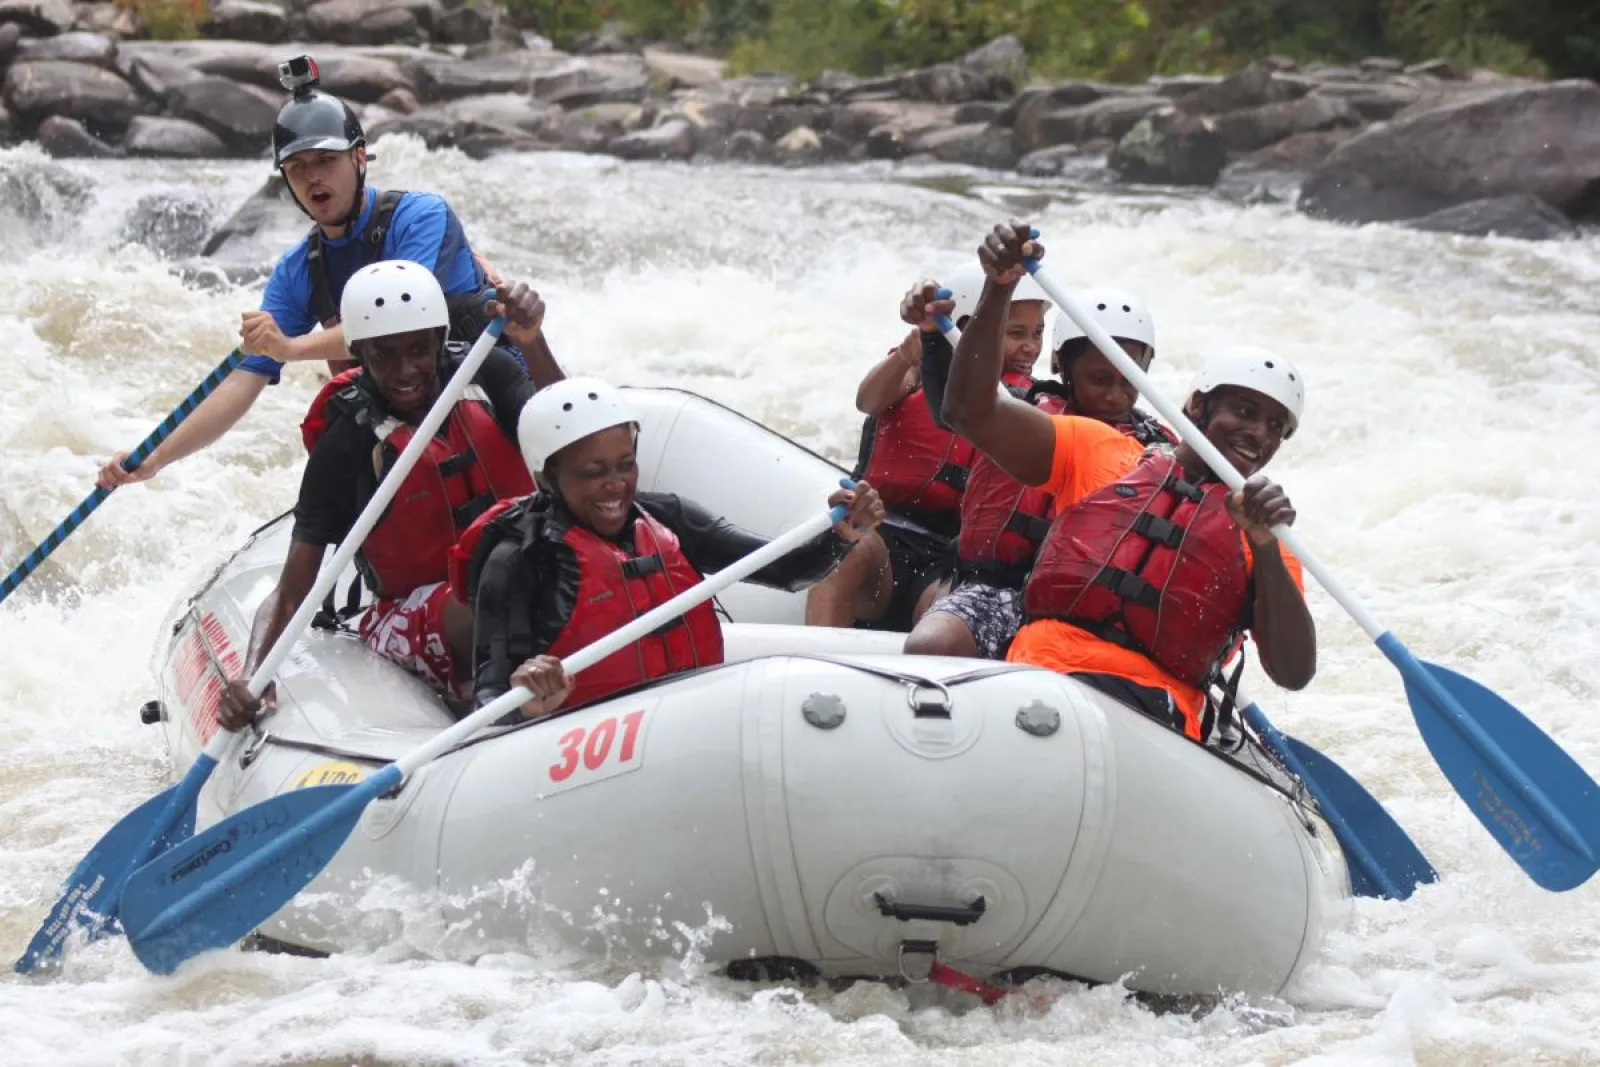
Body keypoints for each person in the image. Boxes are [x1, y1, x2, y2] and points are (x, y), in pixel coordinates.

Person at [97, 54, 560, 491]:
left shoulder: (420, 216)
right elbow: (244, 380)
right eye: (297, 168)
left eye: (326, 160)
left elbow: (402, 322)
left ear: (360, 158)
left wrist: (292, 347)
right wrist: (156, 458)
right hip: (404, 425)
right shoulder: (300, 269)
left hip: (496, 401)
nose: (313, 177)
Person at [941, 220, 1316, 743]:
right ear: (1199, 405)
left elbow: (1294, 672)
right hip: (1040, 675)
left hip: (1154, 717)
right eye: (1245, 411)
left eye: (1276, 427)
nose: (1258, 434)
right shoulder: (1101, 450)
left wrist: (1266, 549)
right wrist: (999, 288)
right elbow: (970, 412)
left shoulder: (1268, 535)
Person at [217, 260, 551, 731]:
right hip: (418, 608)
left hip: (521, 576)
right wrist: (253, 674)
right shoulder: (347, 437)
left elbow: (571, 441)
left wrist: (532, 342)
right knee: (488, 592)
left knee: (537, 570)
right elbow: (293, 590)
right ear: (358, 353)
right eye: (383, 355)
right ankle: (506, 703)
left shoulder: (485, 371)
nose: (405, 370)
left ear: (439, 337)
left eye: (419, 349)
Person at [456, 377, 887, 719]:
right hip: (588, 754)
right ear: (546, 478)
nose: (616, 484)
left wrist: (843, 534)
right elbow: (491, 699)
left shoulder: (666, 517)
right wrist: (528, 701)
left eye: (626, 465)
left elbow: (786, 571)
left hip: (688, 725)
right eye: (593, 472)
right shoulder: (517, 559)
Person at [904, 283, 1175, 660]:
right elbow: (954, 411)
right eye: (1099, 379)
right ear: (1061, 364)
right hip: (1001, 588)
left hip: (1098, 611)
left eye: (1129, 380)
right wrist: (933, 340)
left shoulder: (1160, 449)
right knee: (933, 644)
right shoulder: (1016, 407)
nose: (1115, 395)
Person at [804, 264, 1051, 634]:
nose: (1031, 346)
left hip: (947, 559)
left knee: (951, 613)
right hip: (880, 531)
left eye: (1038, 333)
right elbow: (867, 400)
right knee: (847, 552)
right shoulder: (915, 370)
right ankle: (814, 669)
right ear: (968, 331)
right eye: (1016, 333)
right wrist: (908, 354)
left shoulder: (1030, 402)